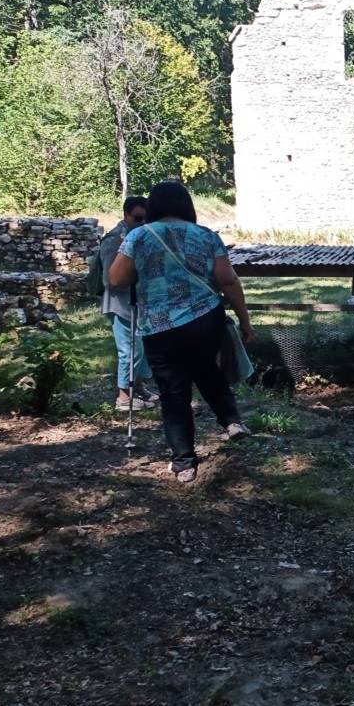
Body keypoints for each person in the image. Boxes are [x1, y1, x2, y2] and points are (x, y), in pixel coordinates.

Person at [108, 182, 253, 484]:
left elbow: (117, 278)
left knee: (174, 393)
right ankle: (232, 422)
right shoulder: (207, 236)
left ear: (153, 206)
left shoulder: (138, 237)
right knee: (208, 371)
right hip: (205, 319)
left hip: (160, 326)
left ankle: (184, 462)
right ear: (188, 205)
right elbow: (227, 280)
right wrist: (245, 320)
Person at [100, 196, 157, 412]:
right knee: (129, 350)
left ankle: (138, 388)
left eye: (146, 219)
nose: (142, 223)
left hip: (139, 302)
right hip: (120, 303)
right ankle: (124, 396)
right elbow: (110, 279)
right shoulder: (114, 240)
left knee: (140, 348)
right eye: (138, 218)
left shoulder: (142, 237)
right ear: (126, 215)